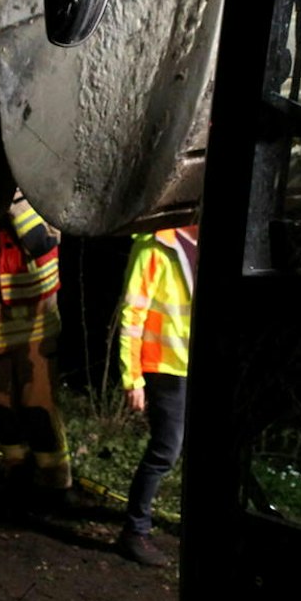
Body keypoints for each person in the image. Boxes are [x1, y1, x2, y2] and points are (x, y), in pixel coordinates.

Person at [0, 190, 73, 502]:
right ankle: (17, 474)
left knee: (38, 407)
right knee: (1, 408)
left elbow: (42, 243)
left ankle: (55, 483)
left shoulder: (41, 201)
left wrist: (14, 202)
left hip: (33, 329)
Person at [114, 224, 199, 567]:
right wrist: (132, 377)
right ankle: (134, 532)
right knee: (166, 450)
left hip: (191, 367)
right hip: (164, 366)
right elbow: (132, 314)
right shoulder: (155, 245)